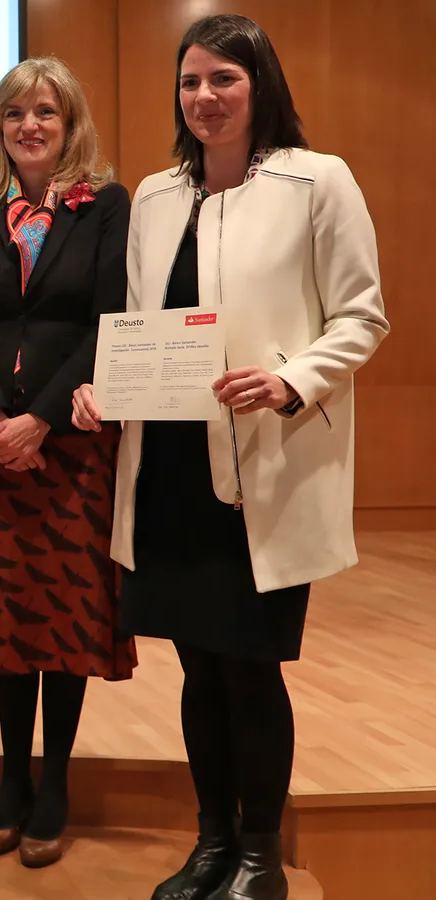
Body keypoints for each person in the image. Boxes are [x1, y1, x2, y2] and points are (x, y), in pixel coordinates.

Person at [71, 15, 388, 900]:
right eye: (191, 82)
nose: (204, 97)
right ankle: (211, 842)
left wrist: (291, 380)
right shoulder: (155, 195)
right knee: (197, 664)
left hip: (261, 471)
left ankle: (259, 856)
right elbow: (139, 327)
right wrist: (102, 388)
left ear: (260, 86)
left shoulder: (317, 180)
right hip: (167, 471)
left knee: (249, 667)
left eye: (224, 80)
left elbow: (362, 315)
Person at [0, 56, 135, 869]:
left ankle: (54, 782)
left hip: (73, 441)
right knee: (7, 613)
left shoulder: (106, 205)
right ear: (0, 126)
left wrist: (40, 421)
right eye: (15, 113)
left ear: (70, 123)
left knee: (66, 616)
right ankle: (12, 777)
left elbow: (111, 318)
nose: (30, 125)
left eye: (45, 112)